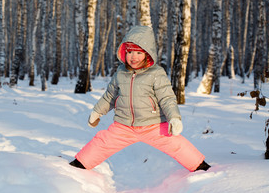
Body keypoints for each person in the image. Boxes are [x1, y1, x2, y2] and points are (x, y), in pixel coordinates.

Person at [69, 25, 210, 172]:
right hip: (124, 125)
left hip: (153, 125)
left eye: (138, 52)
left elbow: (167, 98)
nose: (133, 57)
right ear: (124, 52)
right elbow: (110, 96)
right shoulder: (120, 73)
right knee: (103, 141)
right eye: (130, 52)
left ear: (148, 54)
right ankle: (79, 165)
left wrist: (174, 118)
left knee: (176, 144)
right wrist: (97, 112)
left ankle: (200, 167)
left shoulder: (156, 73)